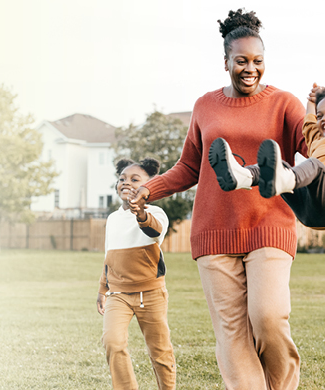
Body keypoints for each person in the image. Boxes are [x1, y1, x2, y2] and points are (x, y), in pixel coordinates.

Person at [129, 9, 306, 389]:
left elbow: (314, 153)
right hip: (214, 233)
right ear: (225, 61)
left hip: (270, 224)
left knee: (269, 317)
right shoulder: (204, 106)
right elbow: (188, 168)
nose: (250, 68)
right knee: (232, 334)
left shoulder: (286, 105)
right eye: (241, 61)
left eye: (258, 61)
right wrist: (149, 188)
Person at [208, 71, 325, 230]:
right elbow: (308, 123)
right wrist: (312, 101)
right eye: (320, 115)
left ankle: (283, 179)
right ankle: (241, 176)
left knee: (313, 165)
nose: (324, 119)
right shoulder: (316, 140)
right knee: (281, 166)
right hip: (306, 211)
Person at [98, 158, 175, 390]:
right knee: (112, 341)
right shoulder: (112, 219)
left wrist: (140, 211)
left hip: (151, 293)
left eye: (134, 179)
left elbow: (153, 231)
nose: (126, 182)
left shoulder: (156, 212)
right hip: (118, 293)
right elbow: (109, 255)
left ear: (148, 184)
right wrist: (103, 288)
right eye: (122, 179)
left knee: (159, 350)